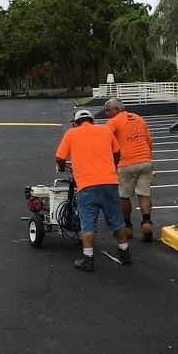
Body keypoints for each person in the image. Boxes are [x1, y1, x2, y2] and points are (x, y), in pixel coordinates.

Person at [55, 108, 130, 271]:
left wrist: (62, 167)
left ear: (76, 122)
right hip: (110, 183)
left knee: (88, 224)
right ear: (92, 120)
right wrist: (113, 166)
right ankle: (125, 253)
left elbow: (60, 157)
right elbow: (117, 153)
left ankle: (88, 260)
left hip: (86, 185)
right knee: (117, 221)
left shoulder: (71, 134)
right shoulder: (105, 131)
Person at [104, 97, 155, 241]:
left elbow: (104, 138)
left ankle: (127, 226)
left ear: (117, 109)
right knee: (144, 194)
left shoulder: (113, 122)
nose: (106, 113)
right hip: (145, 161)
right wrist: (148, 158)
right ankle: (146, 223)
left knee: (124, 196)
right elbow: (149, 141)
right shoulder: (139, 119)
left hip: (126, 162)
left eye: (108, 110)